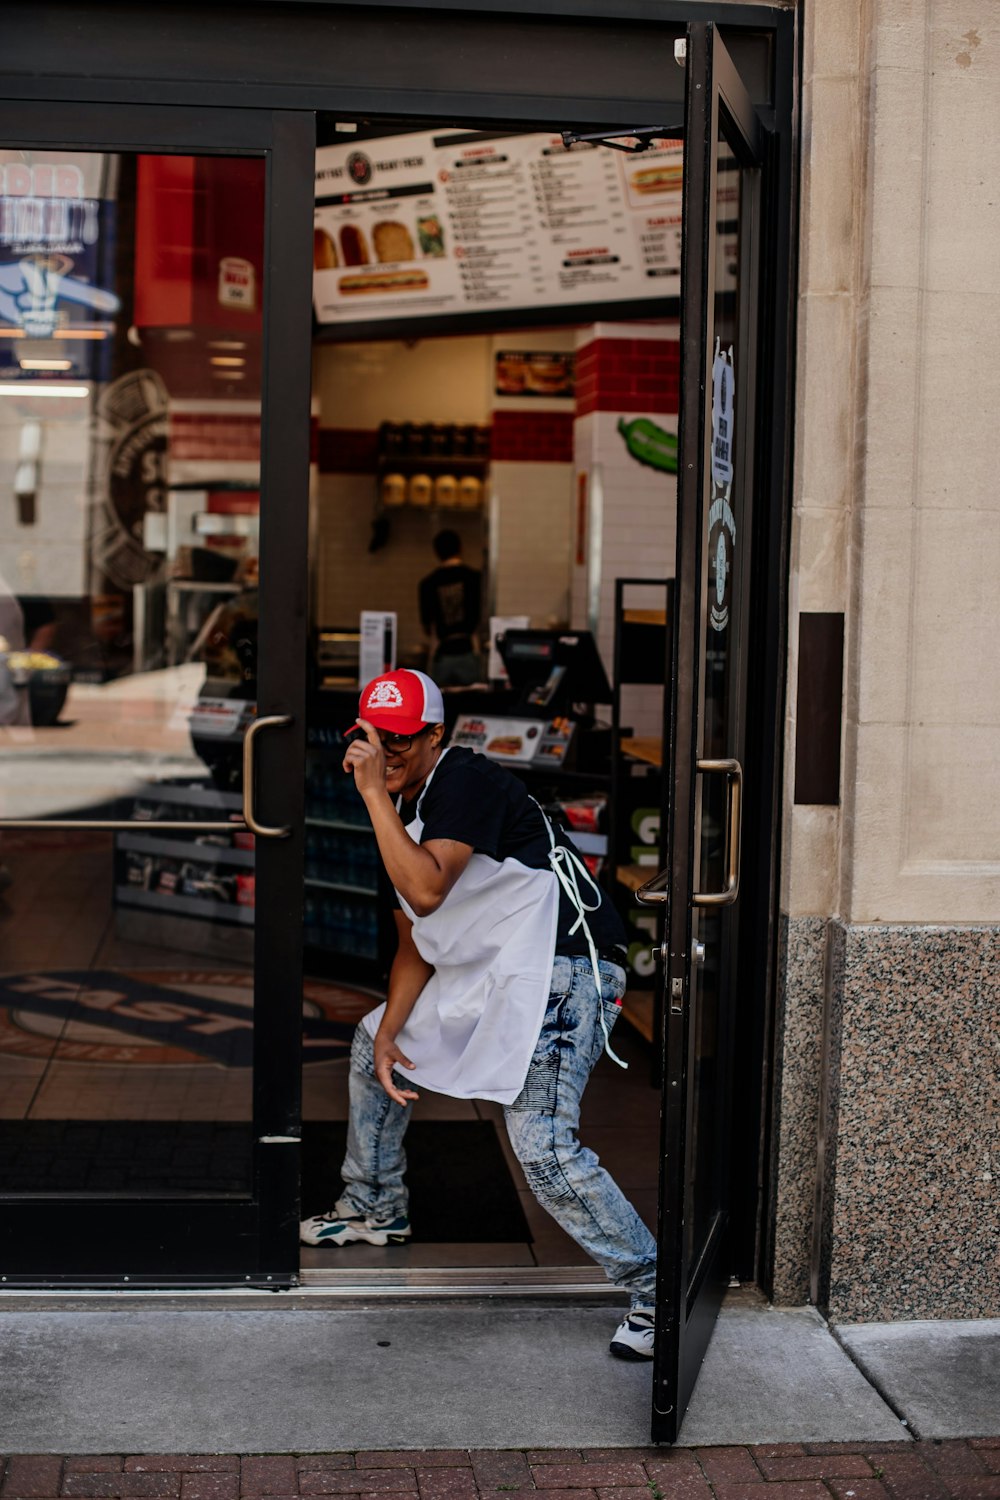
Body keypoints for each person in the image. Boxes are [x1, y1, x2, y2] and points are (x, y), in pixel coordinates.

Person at [301, 668, 658, 1361]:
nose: (385, 754)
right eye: (372, 739)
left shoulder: (462, 779)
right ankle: (375, 1206)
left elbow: (429, 890)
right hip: (499, 974)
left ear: (436, 735)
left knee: (545, 1150)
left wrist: (374, 792)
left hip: (567, 971)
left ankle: (656, 1288)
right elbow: (412, 938)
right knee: (373, 1038)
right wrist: (391, 1033)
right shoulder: (398, 812)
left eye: (401, 742)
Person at [418, 529, 482, 688]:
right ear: (460, 548)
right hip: (468, 652)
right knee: (471, 705)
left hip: (443, 654)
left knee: (440, 707)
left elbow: (427, 627)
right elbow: (481, 616)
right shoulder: (474, 578)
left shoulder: (428, 583)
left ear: (436, 552)